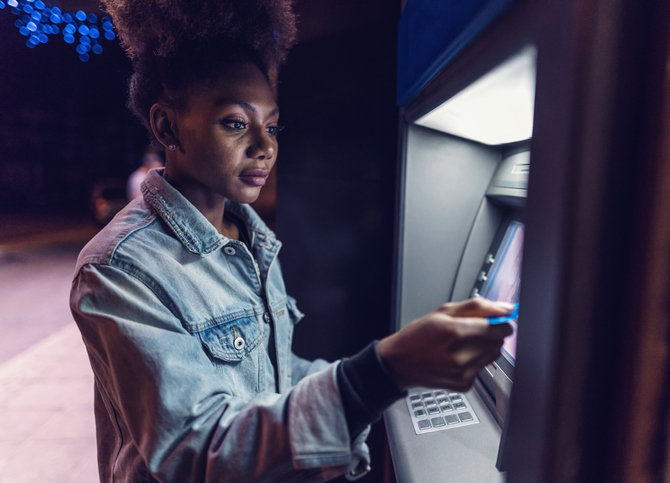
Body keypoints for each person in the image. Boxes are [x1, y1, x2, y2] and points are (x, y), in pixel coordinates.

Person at [69, 0, 514, 481]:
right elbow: (193, 453)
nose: (265, 147)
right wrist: (378, 374)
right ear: (167, 126)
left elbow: (274, 376)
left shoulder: (250, 238)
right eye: (236, 123)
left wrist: (393, 372)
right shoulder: (120, 267)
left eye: (273, 125)